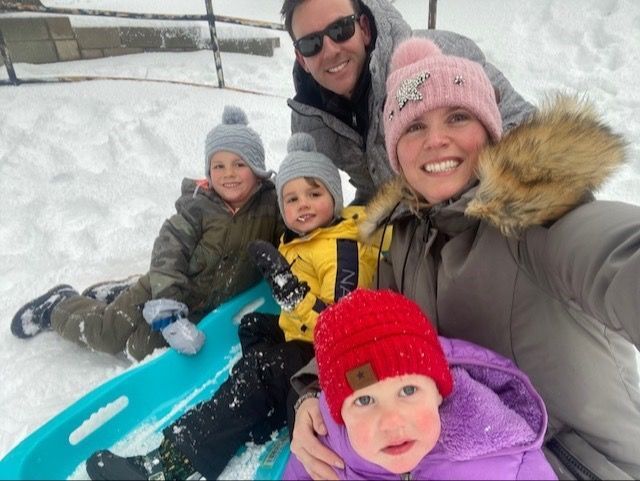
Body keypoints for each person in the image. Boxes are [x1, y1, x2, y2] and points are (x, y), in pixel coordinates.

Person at [289, 37, 640, 480]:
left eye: (457, 116)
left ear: (490, 129)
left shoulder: (536, 216)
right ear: (395, 151)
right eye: (414, 126)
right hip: (465, 463)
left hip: (581, 464)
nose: (436, 140)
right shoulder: (401, 240)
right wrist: (308, 395)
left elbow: (616, 255)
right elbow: (359, 337)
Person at [84, 132, 382, 480]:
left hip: (330, 357)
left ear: (334, 196)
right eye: (292, 198)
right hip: (301, 334)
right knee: (254, 326)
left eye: (314, 194)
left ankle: (174, 462)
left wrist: (294, 296)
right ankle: (262, 409)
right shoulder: (306, 238)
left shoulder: (343, 247)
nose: (303, 205)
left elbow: (340, 328)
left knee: (265, 367)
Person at [10, 105, 283, 362]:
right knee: (108, 335)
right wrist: (168, 311)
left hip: (201, 305)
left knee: (138, 348)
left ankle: (117, 292)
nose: (229, 174)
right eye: (219, 166)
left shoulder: (271, 206)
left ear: (257, 168)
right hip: (162, 287)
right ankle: (58, 306)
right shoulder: (198, 208)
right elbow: (169, 253)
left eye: (239, 164)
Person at [284, 288, 557, 480]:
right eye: (364, 400)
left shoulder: (505, 456)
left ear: (438, 391)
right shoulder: (325, 445)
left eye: (408, 390)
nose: (391, 422)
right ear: (338, 413)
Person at [281, 0, 536, 204]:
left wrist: (462, 204)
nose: (330, 50)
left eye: (340, 30)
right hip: (410, 242)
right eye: (311, 44)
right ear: (301, 59)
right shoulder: (310, 120)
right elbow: (348, 192)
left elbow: (527, 129)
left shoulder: (439, 57)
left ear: (365, 29)